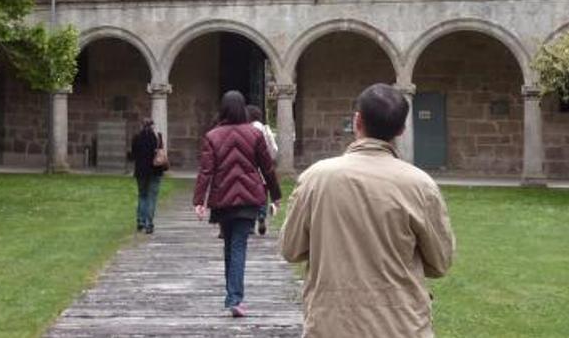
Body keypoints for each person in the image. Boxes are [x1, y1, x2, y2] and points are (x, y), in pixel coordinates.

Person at [281, 83, 455, 338]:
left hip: (332, 325)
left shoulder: (316, 179)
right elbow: (440, 262)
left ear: (357, 121)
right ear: (401, 129)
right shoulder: (420, 185)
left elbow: (291, 249)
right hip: (402, 325)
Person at [194, 91, 282, 318]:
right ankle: (235, 298)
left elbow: (206, 171)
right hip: (248, 197)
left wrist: (199, 201)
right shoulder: (254, 134)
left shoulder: (212, 136)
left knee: (229, 246)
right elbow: (267, 167)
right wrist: (275, 194)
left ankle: (232, 295)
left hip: (222, 199)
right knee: (238, 246)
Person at [128, 118, 165, 234]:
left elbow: (133, 155)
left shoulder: (136, 138)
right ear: (152, 126)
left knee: (142, 196)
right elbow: (161, 153)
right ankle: (149, 223)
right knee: (151, 198)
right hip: (155, 171)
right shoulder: (157, 138)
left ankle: (140, 221)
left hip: (141, 172)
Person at [247, 105, 278, 236]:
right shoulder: (266, 129)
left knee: (249, 194)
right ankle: (261, 215)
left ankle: (250, 222)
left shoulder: (248, 130)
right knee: (263, 195)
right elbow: (274, 149)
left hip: (251, 167)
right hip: (265, 167)